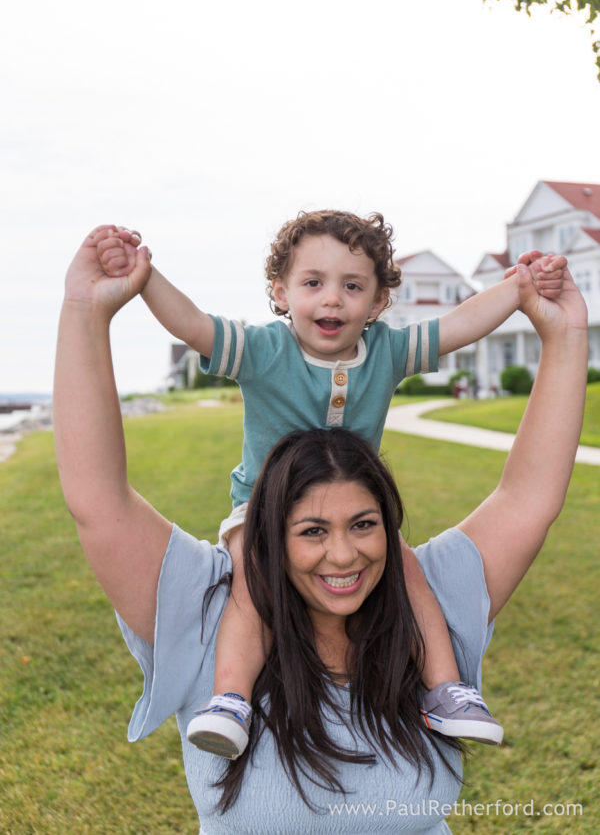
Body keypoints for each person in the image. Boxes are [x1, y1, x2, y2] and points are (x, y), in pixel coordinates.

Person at [53, 225, 588, 833]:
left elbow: (529, 497)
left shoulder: (428, 601)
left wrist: (563, 330)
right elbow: (97, 496)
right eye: (311, 531)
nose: (343, 556)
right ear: (282, 291)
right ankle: (230, 698)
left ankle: (448, 692)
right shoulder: (208, 609)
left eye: (364, 523)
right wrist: (85, 312)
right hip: (246, 520)